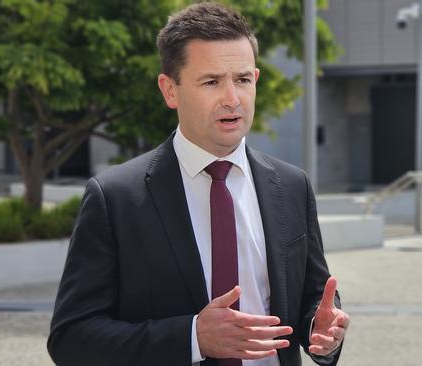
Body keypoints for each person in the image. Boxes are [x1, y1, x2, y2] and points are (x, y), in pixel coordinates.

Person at [47, 2, 349, 366]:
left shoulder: (292, 185)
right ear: (169, 90)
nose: (232, 99)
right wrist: (193, 337)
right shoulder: (115, 198)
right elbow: (70, 339)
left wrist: (321, 331)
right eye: (211, 82)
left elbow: (312, 300)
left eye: (242, 79)